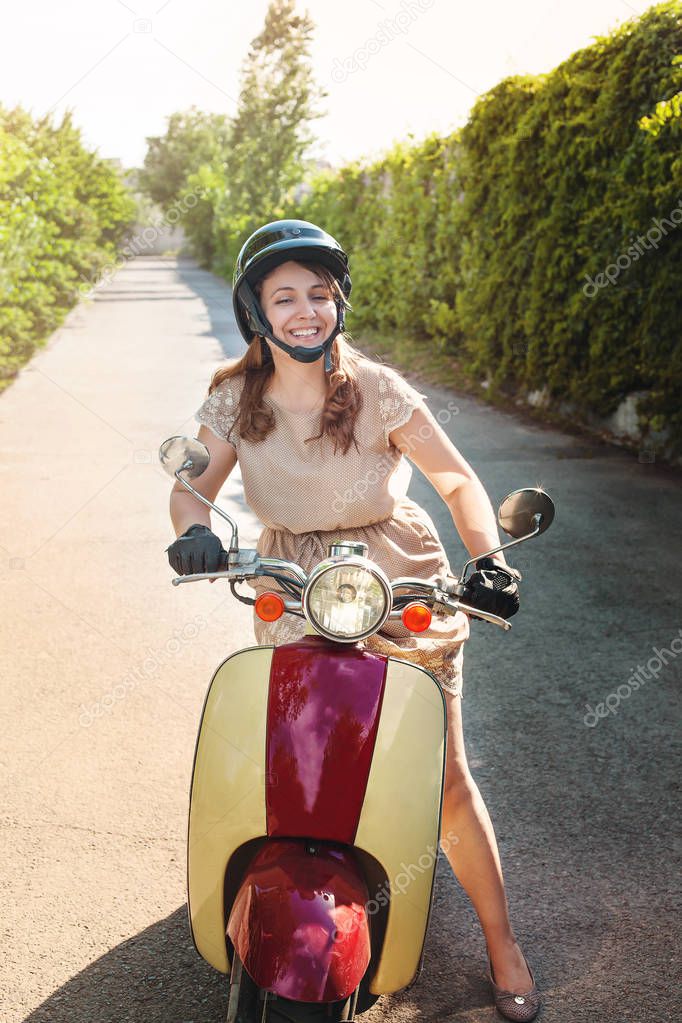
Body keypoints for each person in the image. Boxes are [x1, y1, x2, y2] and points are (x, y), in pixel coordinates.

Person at [166, 219, 541, 1022]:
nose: (307, 311)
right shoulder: (236, 397)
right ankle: (289, 878)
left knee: (444, 778)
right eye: (285, 297)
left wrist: (490, 557)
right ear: (256, 311)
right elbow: (192, 485)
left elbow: (457, 479)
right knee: (294, 754)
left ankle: (502, 940)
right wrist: (193, 530)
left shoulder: (376, 388)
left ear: (338, 302)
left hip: (396, 577)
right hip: (294, 581)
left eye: (320, 294)